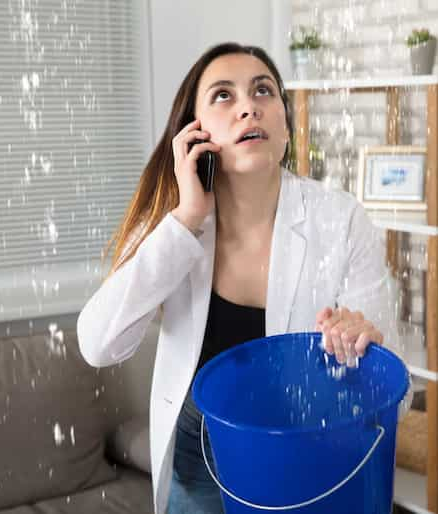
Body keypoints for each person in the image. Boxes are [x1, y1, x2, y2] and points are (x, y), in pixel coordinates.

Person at [77, 42, 393, 514]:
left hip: (307, 449)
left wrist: (362, 343)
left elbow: (388, 377)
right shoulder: (172, 222)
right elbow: (99, 344)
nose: (249, 106)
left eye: (263, 91)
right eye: (223, 96)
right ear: (194, 133)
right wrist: (186, 220)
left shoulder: (341, 219)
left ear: (285, 125)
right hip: (197, 453)